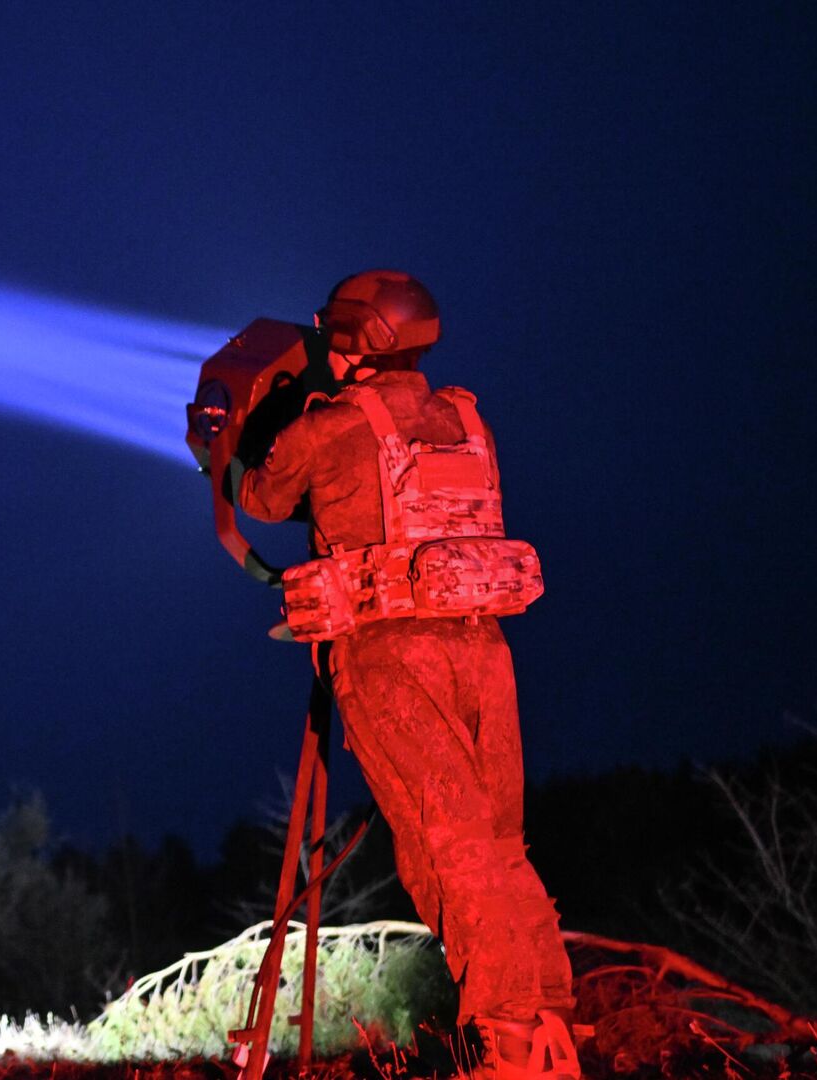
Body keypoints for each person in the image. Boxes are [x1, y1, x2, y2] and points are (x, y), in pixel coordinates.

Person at [234, 270, 585, 1079]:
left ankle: (509, 1044)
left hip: (393, 656)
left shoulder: (332, 426)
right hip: (483, 649)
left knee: (448, 849)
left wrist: (244, 427)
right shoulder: (465, 419)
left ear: (356, 338)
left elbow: (262, 495)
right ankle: (550, 1029)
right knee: (500, 847)